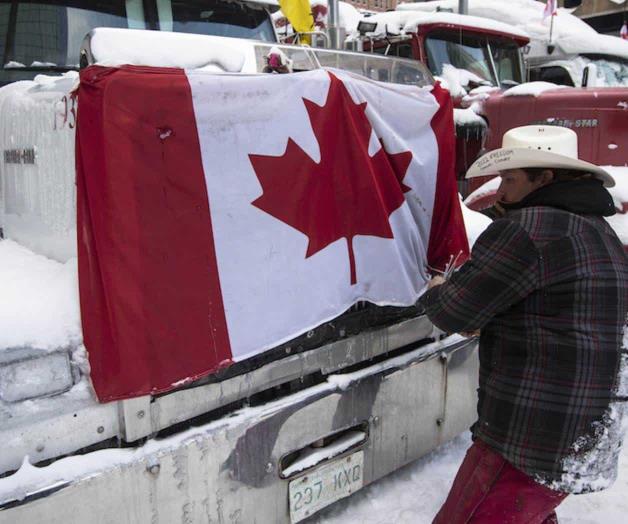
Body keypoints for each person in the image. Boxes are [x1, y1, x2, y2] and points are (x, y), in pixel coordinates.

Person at [419, 125, 628, 524]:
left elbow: (452, 312)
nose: (500, 193)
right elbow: (556, 311)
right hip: (581, 430)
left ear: (545, 178)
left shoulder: (528, 228)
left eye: (511, 180)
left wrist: (437, 287)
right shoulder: (598, 231)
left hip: (530, 436)